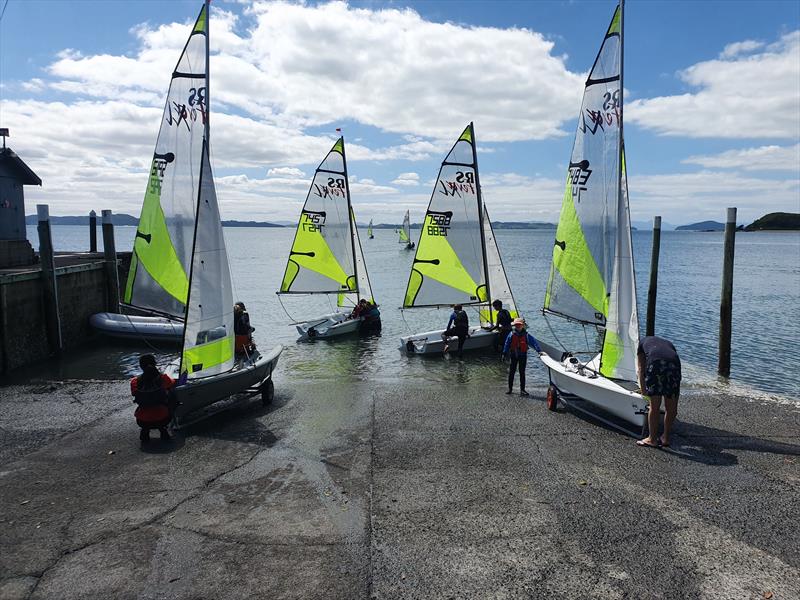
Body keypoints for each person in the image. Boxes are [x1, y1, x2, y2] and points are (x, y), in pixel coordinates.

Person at [636, 336, 682, 448]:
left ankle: (652, 439)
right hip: (674, 363)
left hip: (656, 363)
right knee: (671, 407)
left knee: (654, 406)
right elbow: (672, 357)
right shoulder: (668, 343)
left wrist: (644, 391)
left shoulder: (641, 345)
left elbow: (641, 370)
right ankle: (665, 437)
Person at [130, 354, 175, 443]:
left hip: (142, 420)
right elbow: (172, 383)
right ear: (155, 364)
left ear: (141, 366)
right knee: (171, 394)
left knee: (146, 404)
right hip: (163, 419)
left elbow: (134, 393)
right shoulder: (162, 378)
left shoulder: (135, 381)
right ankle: (163, 430)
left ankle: (145, 431)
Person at [502, 318, 543, 396]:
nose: (518, 326)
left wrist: (539, 351)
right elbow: (507, 344)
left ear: (522, 326)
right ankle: (510, 389)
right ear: (514, 325)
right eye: (516, 325)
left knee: (522, 373)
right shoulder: (511, 334)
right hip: (513, 355)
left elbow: (534, 343)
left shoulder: (527, 335)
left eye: (519, 325)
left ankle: (522, 390)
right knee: (512, 372)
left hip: (523, 356)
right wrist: (504, 353)